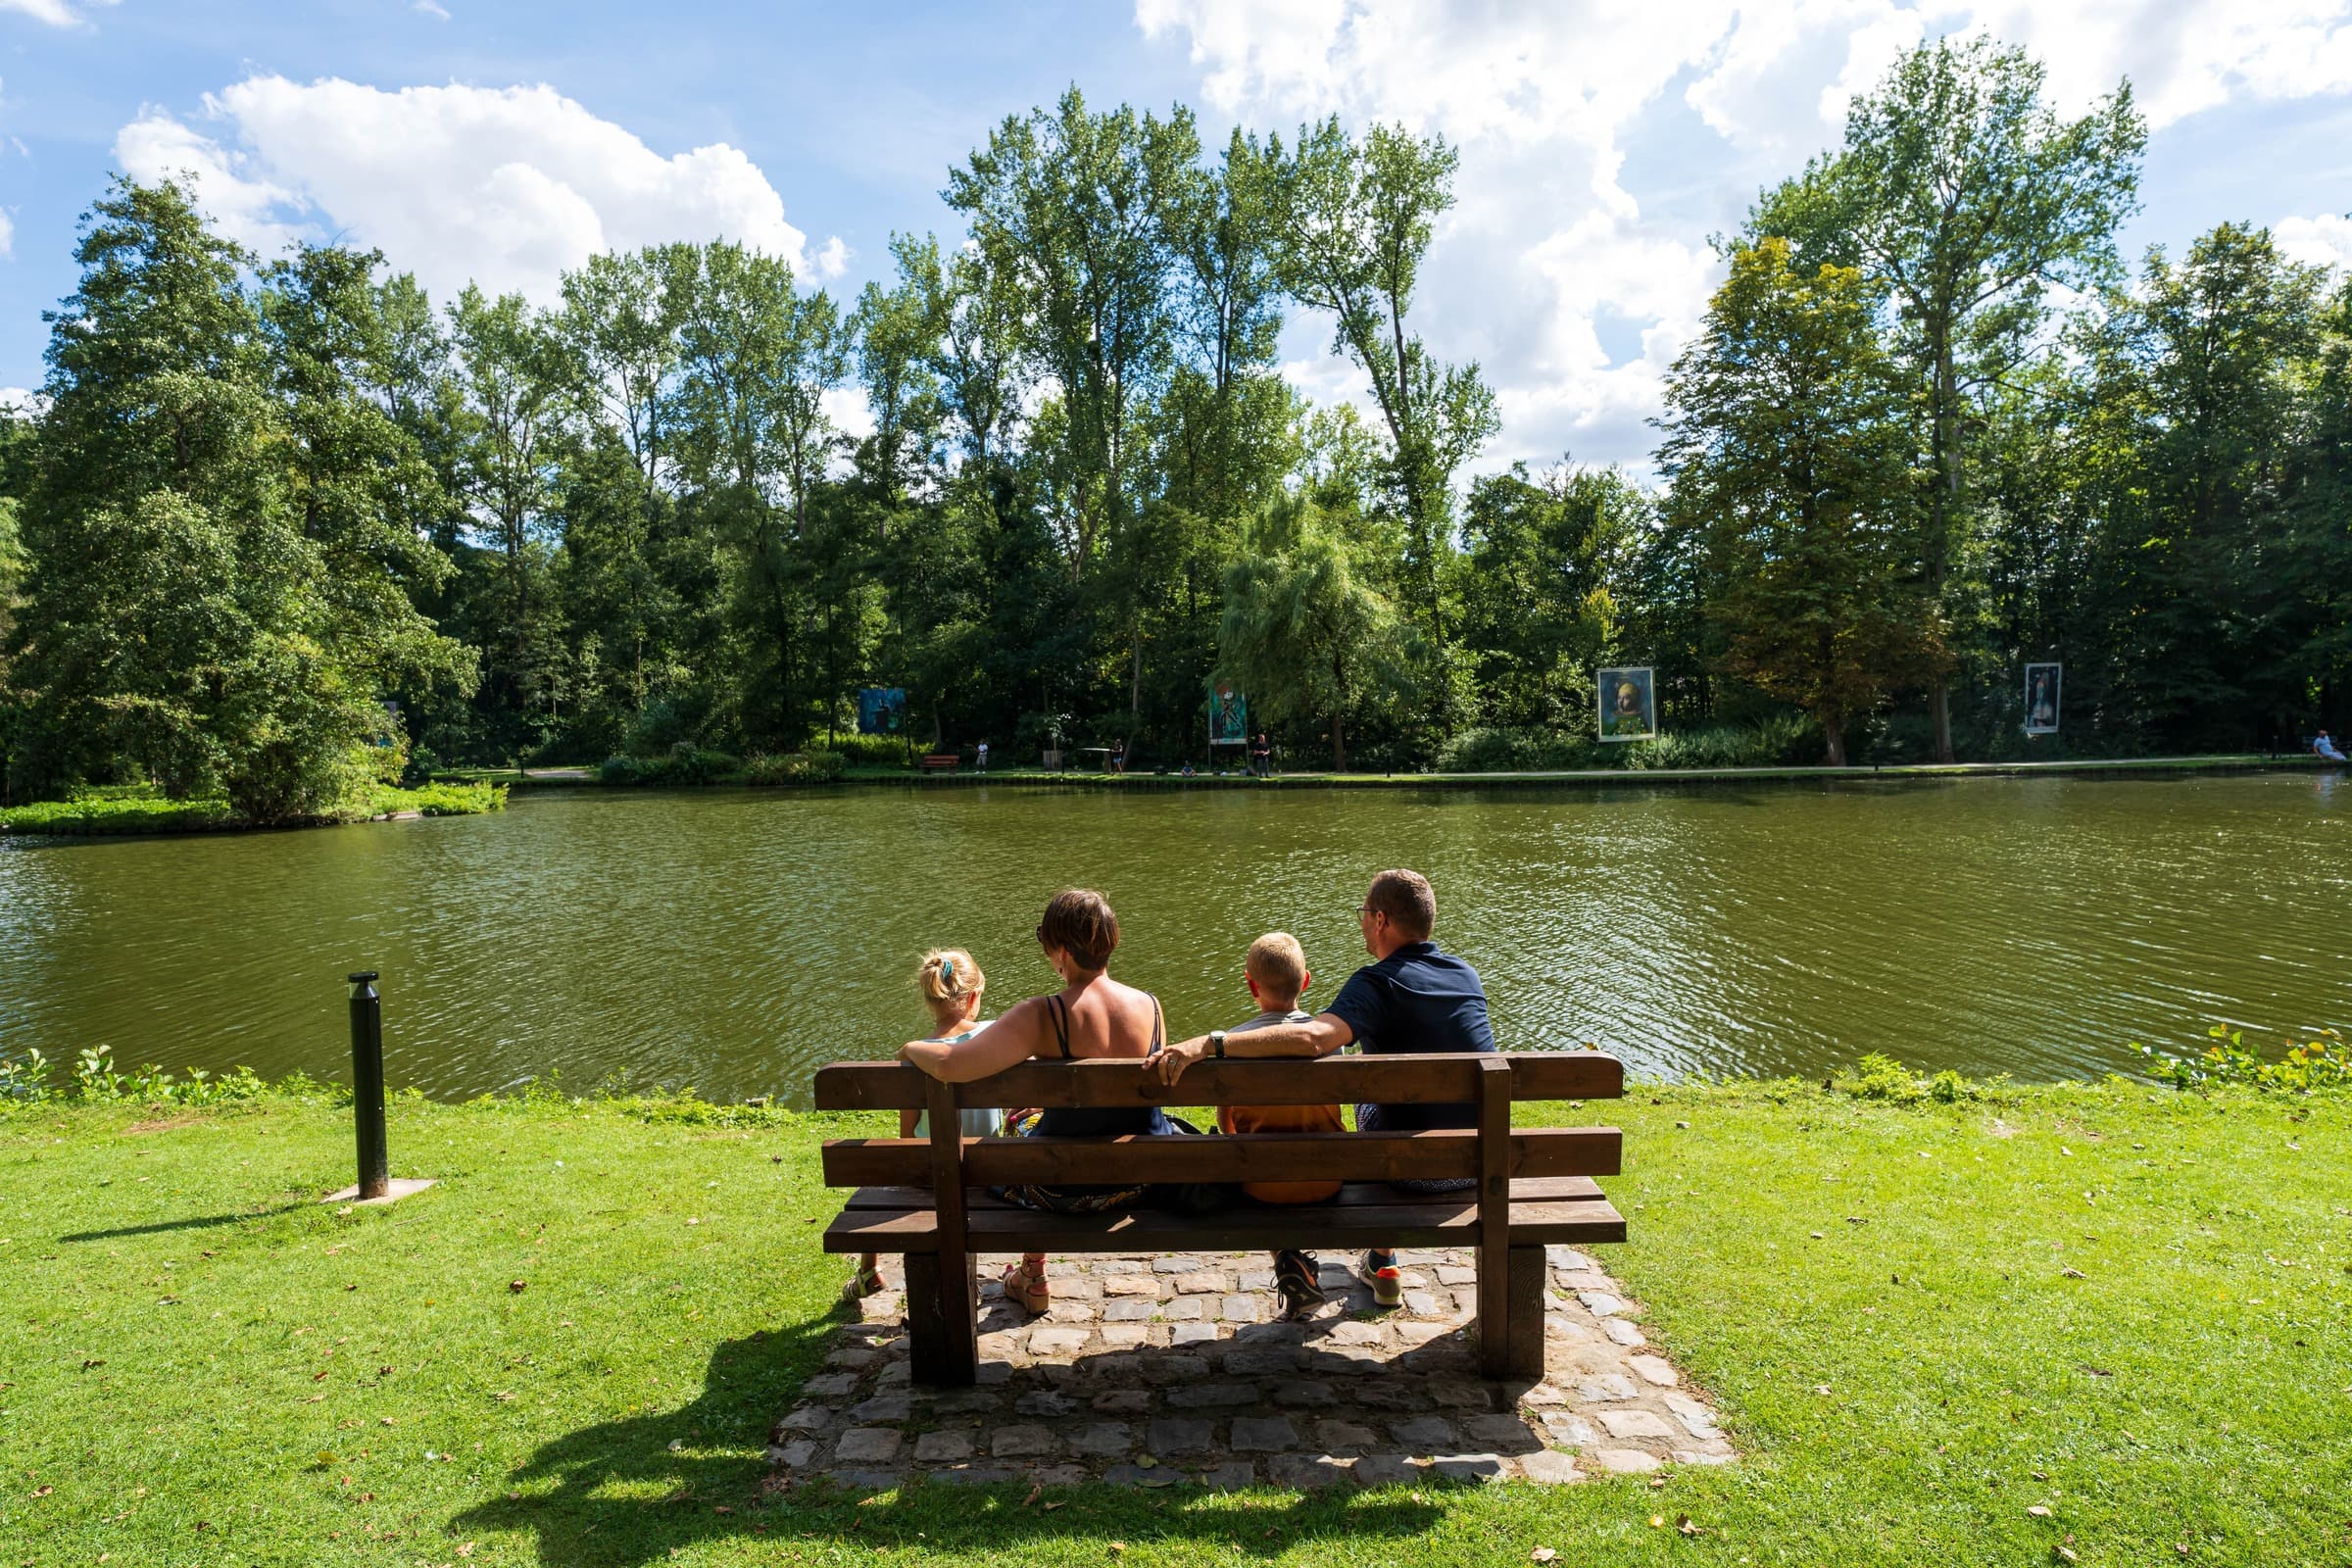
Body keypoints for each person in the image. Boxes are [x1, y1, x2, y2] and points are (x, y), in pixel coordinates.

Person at [1152, 868, 1493, 1308]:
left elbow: (1314, 1039)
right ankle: (1382, 1261)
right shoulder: (1466, 975)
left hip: (1415, 1170)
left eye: (1364, 914)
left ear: (1382, 921)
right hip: (1477, 1160)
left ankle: (1384, 1255)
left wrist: (1212, 1043)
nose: (1362, 922)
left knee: (1372, 1089)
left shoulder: (1377, 981)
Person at [898, 889, 1170, 1314]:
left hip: (1060, 1187)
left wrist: (912, 1048)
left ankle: (1032, 1273)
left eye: (1046, 947)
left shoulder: (1043, 1014)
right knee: (1036, 1129)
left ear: (1062, 951)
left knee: (1020, 1141)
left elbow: (952, 1064)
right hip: (1139, 1180)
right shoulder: (1151, 1007)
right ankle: (1028, 1273)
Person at [844, 949, 1001, 1303]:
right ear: (974, 996)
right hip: (989, 1177)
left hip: (928, 1179)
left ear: (929, 1000)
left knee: (884, 1170)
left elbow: (905, 1137)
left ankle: (869, 1271)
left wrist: (911, 1048)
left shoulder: (914, 1058)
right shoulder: (997, 1038)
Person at [1214, 933, 1343, 1320]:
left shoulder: (1234, 1042)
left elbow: (1227, 1123)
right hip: (1327, 1181)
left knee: (1247, 1165)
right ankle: (1292, 1261)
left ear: (1251, 984)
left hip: (1261, 1186)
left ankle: (1286, 1257)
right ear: (1306, 981)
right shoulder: (1329, 1042)